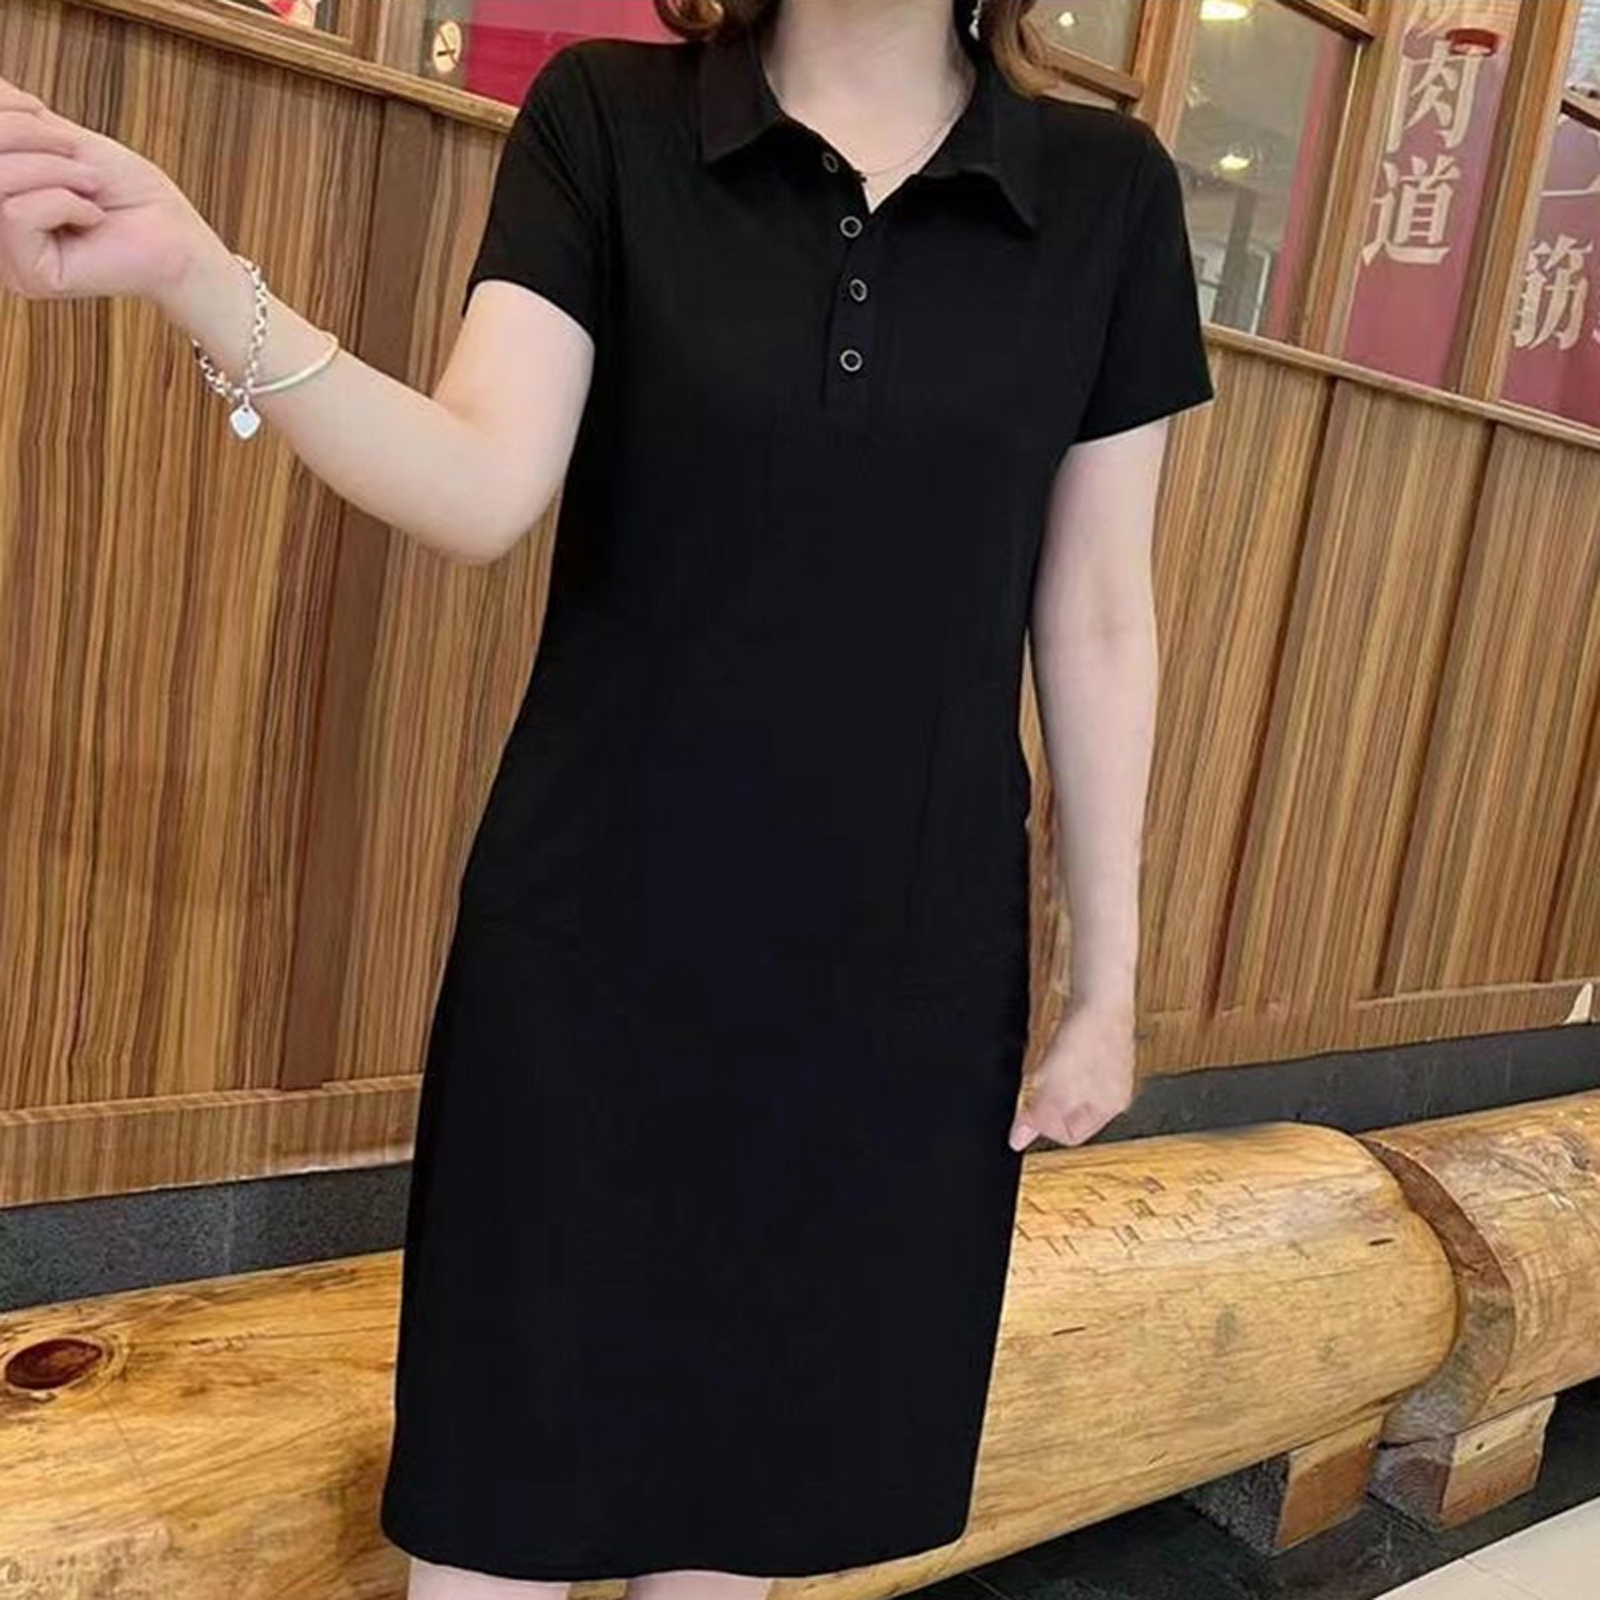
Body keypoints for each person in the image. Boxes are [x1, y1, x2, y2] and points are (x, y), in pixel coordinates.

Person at [0, 0, 1214, 1595]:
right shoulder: (613, 120)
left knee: (740, 1523)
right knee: (498, 1510)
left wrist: (1107, 983)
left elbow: (1101, 610)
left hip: (897, 979)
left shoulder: (1107, 191)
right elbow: (479, 483)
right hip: (595, 946)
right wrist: (196, 273)